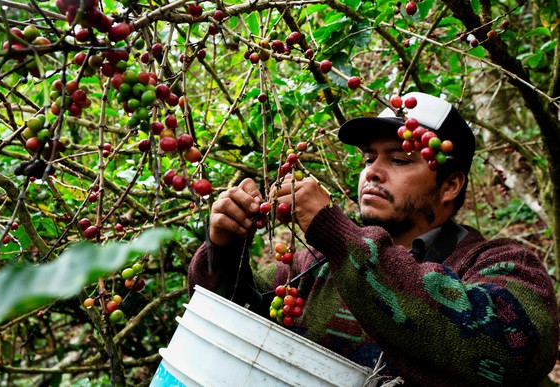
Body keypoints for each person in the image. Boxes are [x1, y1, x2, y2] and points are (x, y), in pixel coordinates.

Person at [188, 92, 559, 386]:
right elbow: (236, 329)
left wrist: (336, 234)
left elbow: (507, 353)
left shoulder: (503, 265)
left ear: (450, 185)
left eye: (398, 160)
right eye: (368, 159)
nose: (373, 173)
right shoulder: (314, 266)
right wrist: (223, 250)